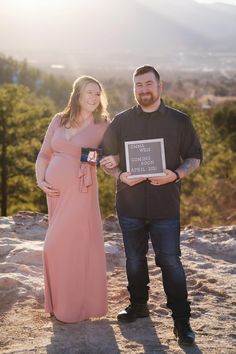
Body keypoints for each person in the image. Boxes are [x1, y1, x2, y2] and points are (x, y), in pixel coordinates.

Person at [100, 65, 202, 346]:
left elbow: (194, 157)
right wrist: (117, 172)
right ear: (134, 89)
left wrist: (176, 174)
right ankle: (139, 306)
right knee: (134, 260)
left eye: (148, 84)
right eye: (138, 85)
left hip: (165, 206)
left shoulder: (180, 121)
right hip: (129, 204)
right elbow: (105, 157)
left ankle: (182, 322)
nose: (143, 90)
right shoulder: (120, 122)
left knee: (170, 261)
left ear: (160, 86)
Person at [35, 75, 117, 323]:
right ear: (78, 95)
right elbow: (44, 154)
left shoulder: (103, 124)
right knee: (63, 247)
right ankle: (61, 305)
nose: (94, 97)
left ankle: (75, 308)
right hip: (55, 194)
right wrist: (41, 181)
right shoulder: (59, 119)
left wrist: (115, 161)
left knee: (59, 245)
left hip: (81, 190)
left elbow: (114, 154)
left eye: (97, 93)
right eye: (89, 92)